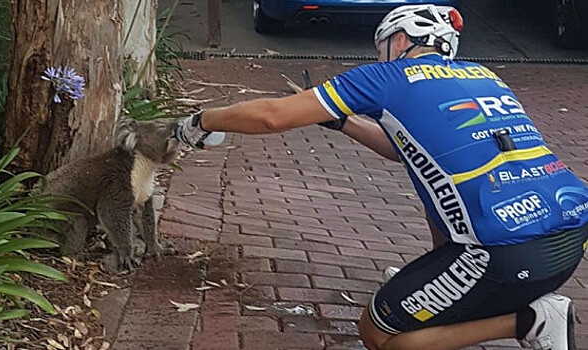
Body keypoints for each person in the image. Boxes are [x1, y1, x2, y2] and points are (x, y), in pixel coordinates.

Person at [174, 5, 588, 350]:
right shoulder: (483, 75)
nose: (381, 56)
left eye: (383, 46)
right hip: (570, 237)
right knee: (439, 182)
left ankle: (529, 321)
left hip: (503, 256)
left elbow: (272, 116)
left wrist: (201, 120)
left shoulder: (384, 79)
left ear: (402, 40)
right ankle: (450, 279)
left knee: (379, 335)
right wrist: (343, 123)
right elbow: (406, 151)